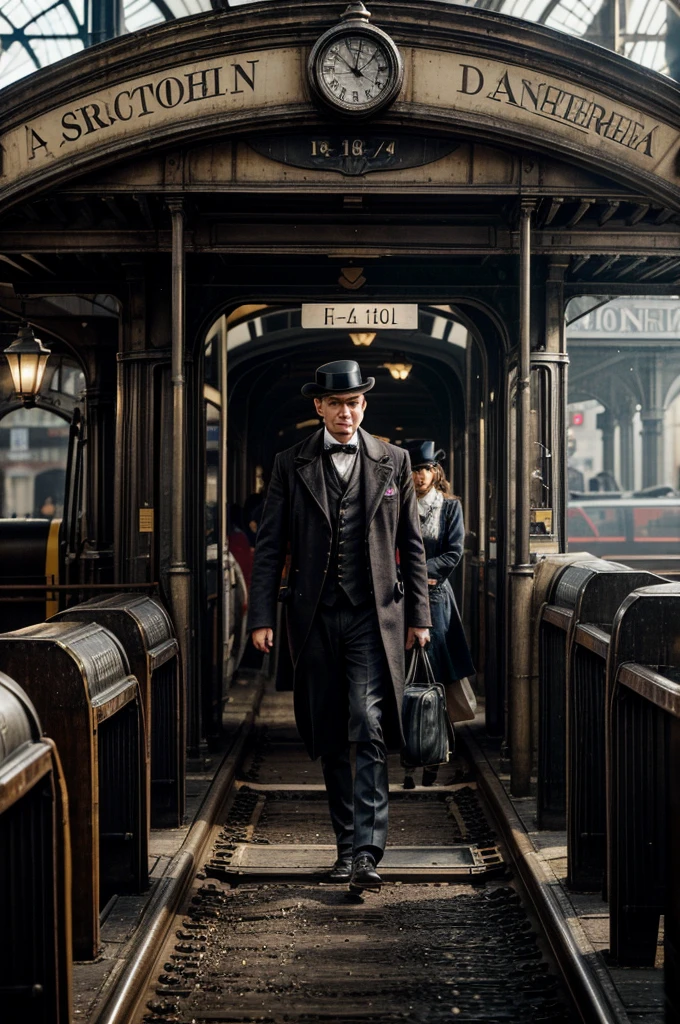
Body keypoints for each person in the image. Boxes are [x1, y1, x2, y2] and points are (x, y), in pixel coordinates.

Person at [247, 359, 431, 893]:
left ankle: (369, 853)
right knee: (329, 731)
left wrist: (419, 617)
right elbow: (269, 547)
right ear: (319, 408)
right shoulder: (290, 463)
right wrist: (261, 614)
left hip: (374, 618)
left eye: (354, 403)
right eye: (336, 404)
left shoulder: (393, 461)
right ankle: (346, 847)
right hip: (314, 618)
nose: (346, 412)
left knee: (366, 723)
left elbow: (411, 545)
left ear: (364, 406)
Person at [402, 440, 476, 789]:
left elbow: (453, 552)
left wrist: (417, 570)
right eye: (414, 470)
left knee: (436, 678)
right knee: (404, 676)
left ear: (436, 472)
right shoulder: (397, 504)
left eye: (425, 469)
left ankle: (433, 755)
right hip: (400, 598)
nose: (419, 476)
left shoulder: (450, 509)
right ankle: (408, 754)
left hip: (436, 599)